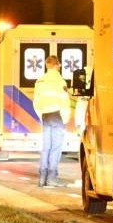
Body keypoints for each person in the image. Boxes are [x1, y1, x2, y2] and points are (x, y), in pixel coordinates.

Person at [32, 54, 72, 187]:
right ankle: (52, 177)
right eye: (59, 64)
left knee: (46, 147)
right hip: (57, 116)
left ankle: (42, 178)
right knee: (56, 147)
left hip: (45, 116)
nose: (60, 66)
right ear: (56, 65)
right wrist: (65, 119)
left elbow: (36, 102)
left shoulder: (40, 81)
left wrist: (41, 115)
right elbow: (65, 102)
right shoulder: (60, 82)